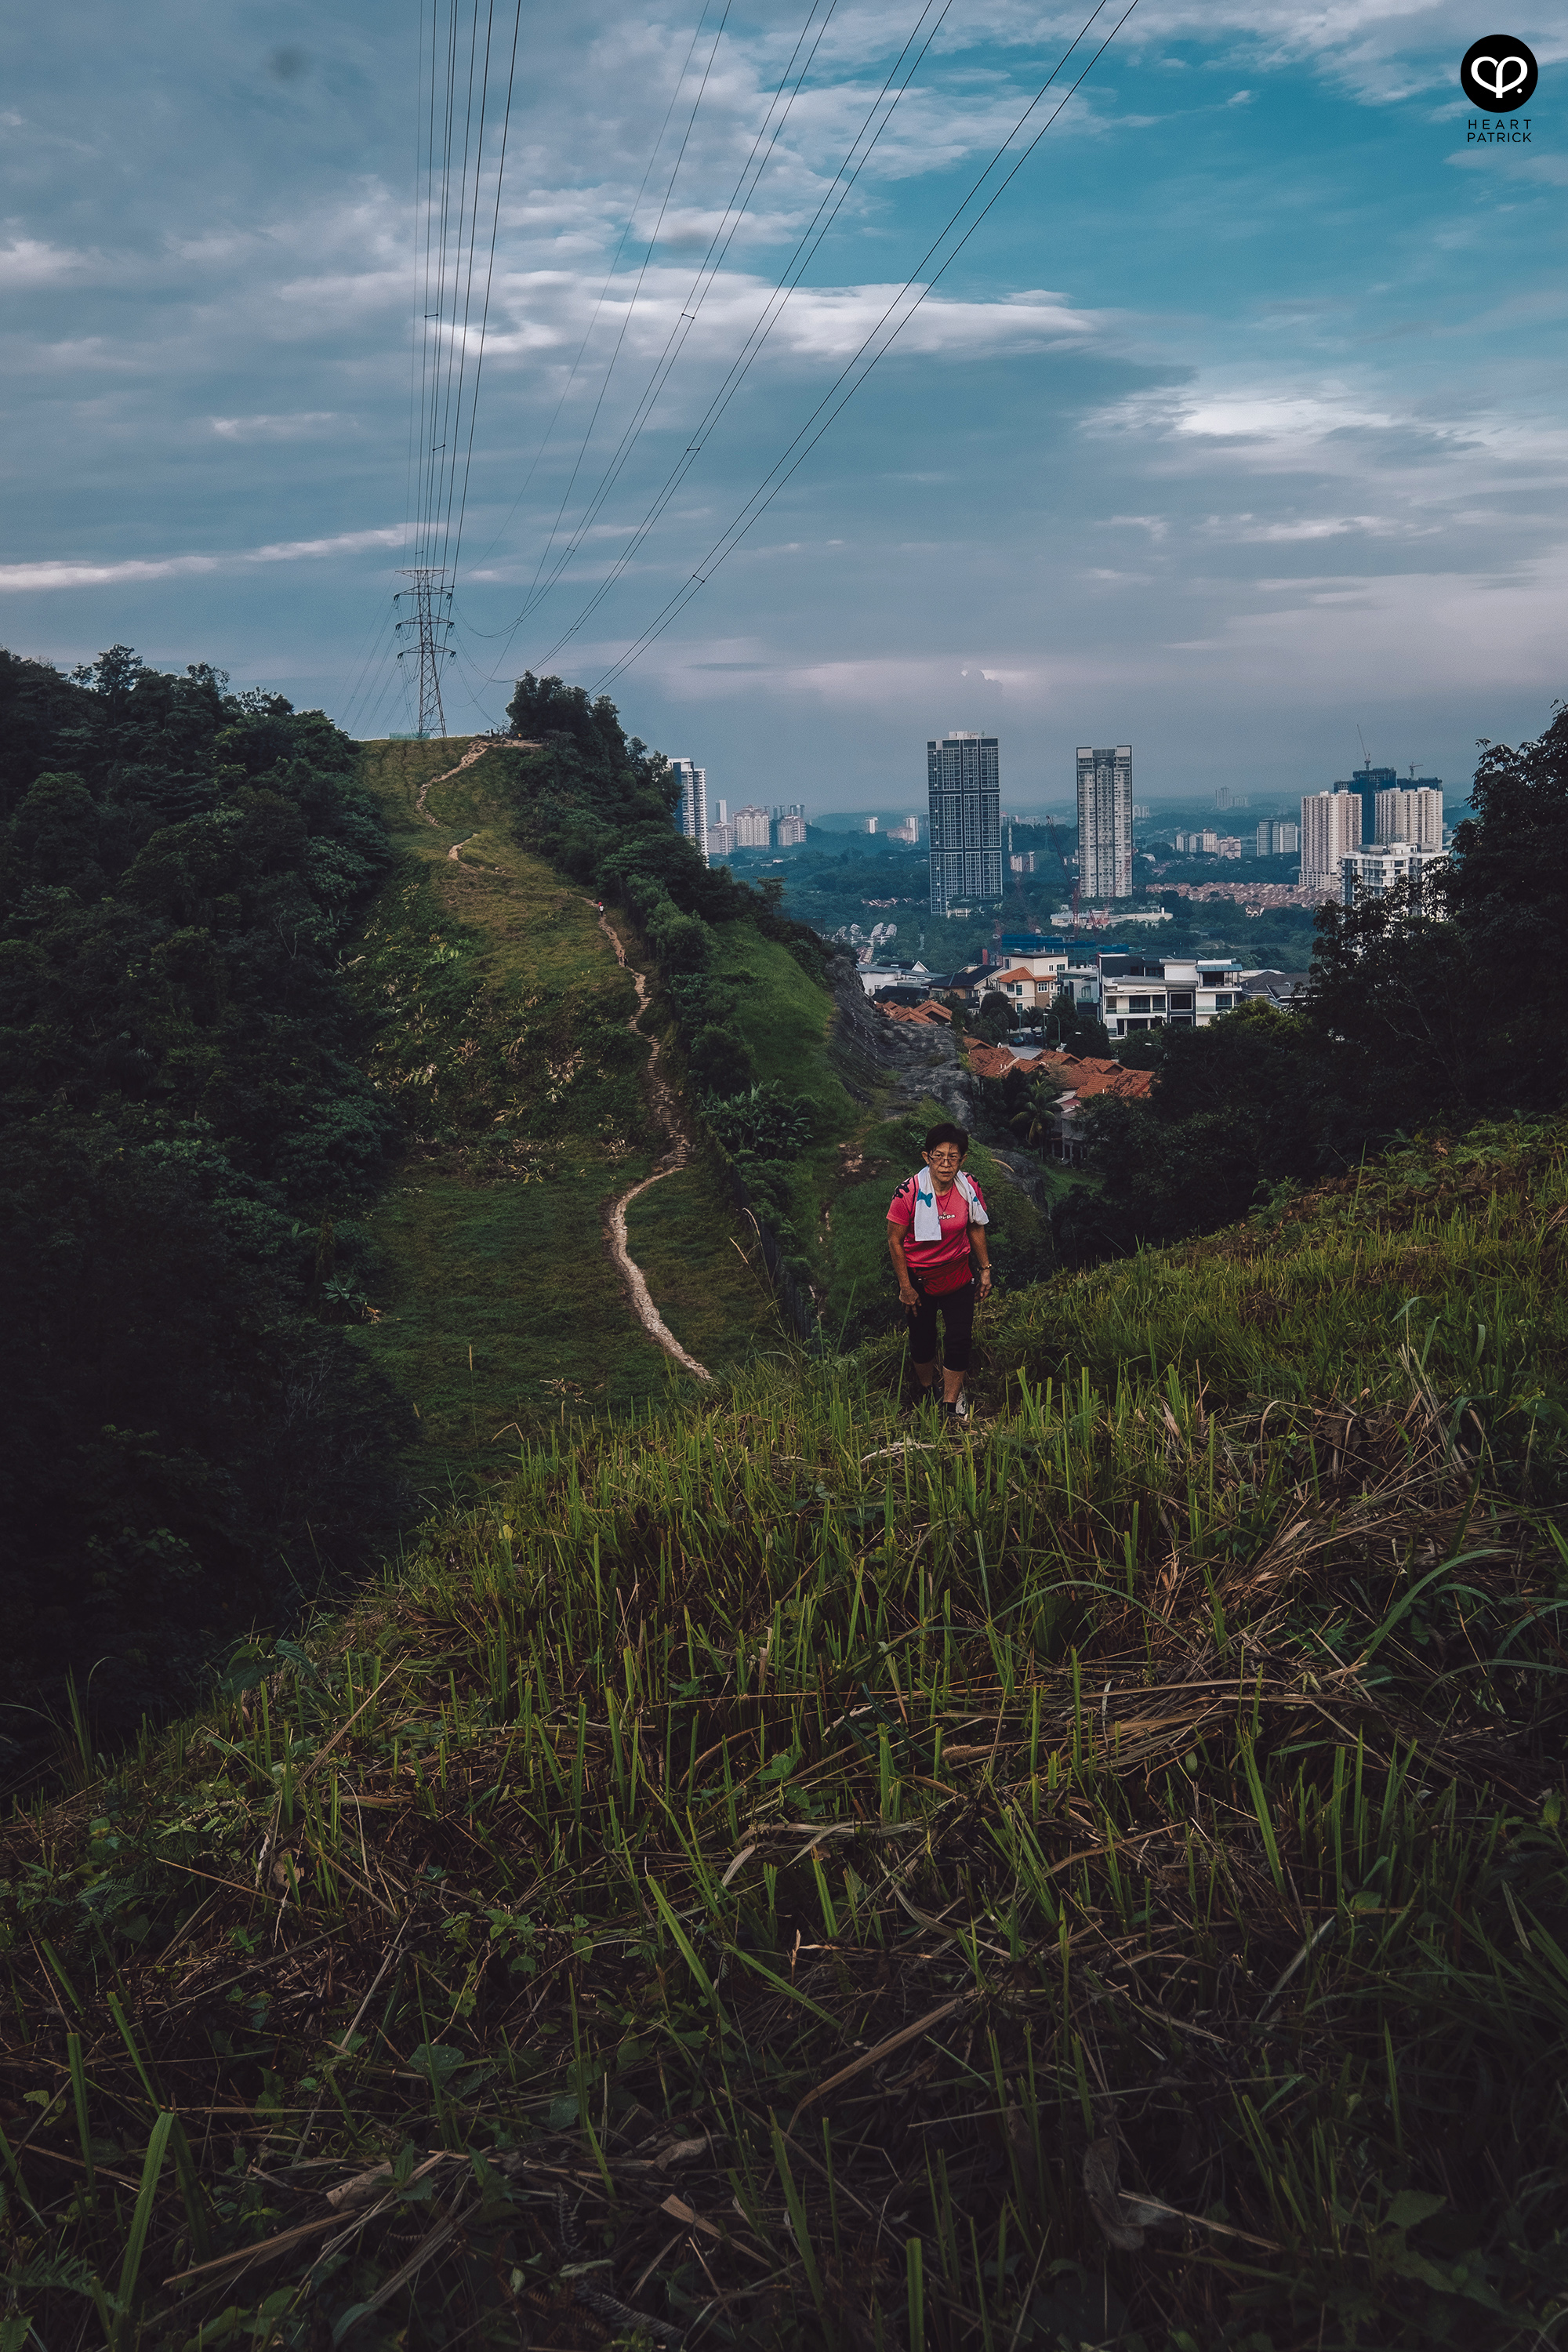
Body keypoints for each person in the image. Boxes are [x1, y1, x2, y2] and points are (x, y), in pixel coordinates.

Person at [886, 1121, 991, 1421]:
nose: (946, 1163)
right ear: (926, 1157)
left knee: (959, 1338)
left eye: (953, 1157)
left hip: (958, 1273)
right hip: (919, 1278)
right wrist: (906, 1287)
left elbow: (975, 1226)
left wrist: (985, 1269)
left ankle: (949, 1404)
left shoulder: (968, 1187)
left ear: (963, 1159)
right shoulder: (908, 1193)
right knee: (923, 1340)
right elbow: (894, 1241)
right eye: (939, 1156)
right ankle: (925, 1388)